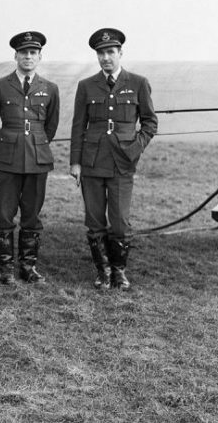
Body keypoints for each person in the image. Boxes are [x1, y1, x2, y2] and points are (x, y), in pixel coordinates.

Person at [70, 28, 157, 290]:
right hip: (92, 161)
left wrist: (135, 147)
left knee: (119, 220)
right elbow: (77, 126)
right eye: (101, 53)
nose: (106, 58)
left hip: (122, 163)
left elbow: (150, 122)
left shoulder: (138, 83)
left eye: (110, 52)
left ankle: (119, 271)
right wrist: (75, 163)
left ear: (120, 53)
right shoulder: (86, 86)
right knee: (94, 219)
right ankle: (103, 271)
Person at [0, 31, 59, 284]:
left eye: (33, 53)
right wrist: (5, 145)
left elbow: (51, 126)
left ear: (39, 57)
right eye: (23, 52)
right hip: (7, 158)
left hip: (37, 157)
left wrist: (35, 142)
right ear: (15, 55)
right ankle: (5, 268)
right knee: (4, 212)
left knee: (32, 213)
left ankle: (28, 267)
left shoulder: (49, 88)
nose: (28, 57)